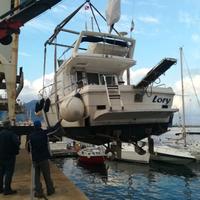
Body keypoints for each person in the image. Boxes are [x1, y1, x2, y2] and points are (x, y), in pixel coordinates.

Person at [28, 120, 61, 198]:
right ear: (40, 126)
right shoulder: (44, 133)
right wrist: (59, 122)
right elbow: (54, 129)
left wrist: (32, 157)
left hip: (35, 159)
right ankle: (50, 190)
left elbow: (29, 148)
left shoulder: (30, 136)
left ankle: (38, 192)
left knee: (36, 177)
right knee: (47, 176)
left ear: (34, 127)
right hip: (44, 158)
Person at [0, 120, 20, 195]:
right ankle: (7, 189)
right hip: (10, 156)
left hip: (1, 156)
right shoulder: (11, 134)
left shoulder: (0, 133)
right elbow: (17, 142)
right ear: (8, 126)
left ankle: (0, 188)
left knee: (1, 172)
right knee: (9, 172)